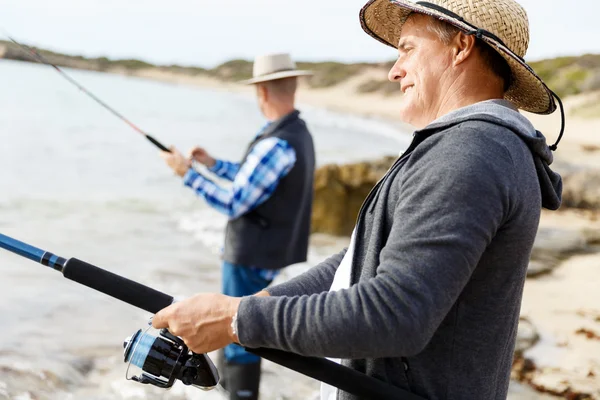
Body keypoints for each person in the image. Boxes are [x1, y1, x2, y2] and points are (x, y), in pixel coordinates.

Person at [154, 1, 564, 399]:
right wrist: (255, 304)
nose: (394, 70)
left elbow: (395, 314)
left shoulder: (469, 152)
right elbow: (360, 258)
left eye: (407, 48)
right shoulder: (476, 147)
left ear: (461, 46)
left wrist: (236, 321)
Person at [160, 53, 315, 400]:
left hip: (251, 255)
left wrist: (186, 174)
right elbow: (252, 179)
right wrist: (212, 165)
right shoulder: (295, 132)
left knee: (237, 331)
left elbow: (234, 202)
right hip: (266, 252)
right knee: (236, 328)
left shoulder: (277, 142)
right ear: (292, 86)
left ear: (262, 92)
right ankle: (225, 390)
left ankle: (238, 393)